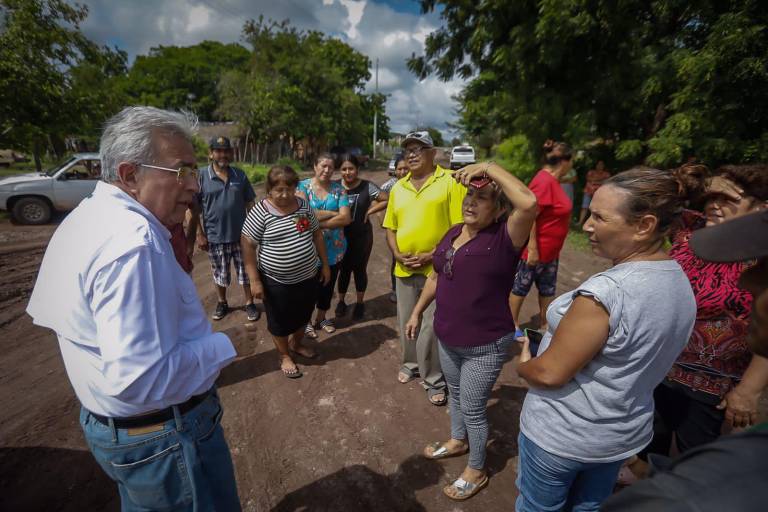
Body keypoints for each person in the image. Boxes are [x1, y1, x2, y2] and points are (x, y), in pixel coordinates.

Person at [26, 106, 241, 510]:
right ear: (129, 176)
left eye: (194, 171)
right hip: (165, 437)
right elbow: (142, 380)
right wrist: (224, 345)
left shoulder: (90, 215)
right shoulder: (134, 243)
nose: (194, 185)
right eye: (182, 171)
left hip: (126, 434)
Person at [514, 167, 697, 512]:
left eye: (599, 217)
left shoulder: (607, 293)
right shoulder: (678, 280)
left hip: (563, 436)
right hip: (618, 439)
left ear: (644, 225)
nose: (586, 225)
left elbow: (550, 373)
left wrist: (525, 365)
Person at [602, 209, 768, 512]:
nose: (748, 281)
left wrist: (749, 389)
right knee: (653, 439)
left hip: (712, 383)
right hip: (663, 369)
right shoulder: (688, 235)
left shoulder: (740, 470)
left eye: (765, 269)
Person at [405, 161, 537, 500]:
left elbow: (528, 202)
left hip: (485, 344)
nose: (470, 203)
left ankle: (477, 470)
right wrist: (417, 312)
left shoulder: (505, 238)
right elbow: (436, 275)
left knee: (474, 408)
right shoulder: (453, 232)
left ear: (499, 209)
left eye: (482, 198)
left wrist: (489, 167)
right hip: (448, 336)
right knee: (456, 395)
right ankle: (457, 440)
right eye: (469, 196)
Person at [641, 164, 768, 458]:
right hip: (657, 368)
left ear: (762, 209)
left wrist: (749, 390)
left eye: (729, 199)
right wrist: (695, 183)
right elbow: (652, 200)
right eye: (711, 198)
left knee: (693, 463)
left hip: (714, 389)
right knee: (645, 453)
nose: (714, 205)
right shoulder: (690, 229)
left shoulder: (762, 259)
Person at [383, 130, 467, 406]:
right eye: (408, 150)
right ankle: (410, 363)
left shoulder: (449, 182)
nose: (412, 154)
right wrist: (397, 254)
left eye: (418, 149)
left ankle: (433, 378)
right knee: (407, 320)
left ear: (433, 153)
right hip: (404, 268)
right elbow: (390, 227)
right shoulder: (398, 187)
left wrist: (433, 255)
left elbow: (459, 227)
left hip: (438, 269)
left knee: (431, 325)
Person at [241, 166, 331, 378]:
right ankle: (283, 355)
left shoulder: (302, 206)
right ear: (269, 189)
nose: (285, 195)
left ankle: (296, 344)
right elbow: (247, 245)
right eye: (279, 190)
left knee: (303, 314)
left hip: (308, 276)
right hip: (276, 281)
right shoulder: (260, 211)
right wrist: (254, 280)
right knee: (279, 321)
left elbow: (317, 234)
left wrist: (325, 265)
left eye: (289, 189)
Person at [509, 140, 574, 334]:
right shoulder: (544, 181)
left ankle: (545, 324)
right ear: (565, 161)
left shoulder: (553, 181)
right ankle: (511, 325)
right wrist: (532, 248)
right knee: (520, 287)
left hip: (551, 252)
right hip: (536, 251)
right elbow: (530, 214)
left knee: (547, 289)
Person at [196, 136, 259, 321]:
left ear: (231, 153)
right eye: (218, 151)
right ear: (211, 153)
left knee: (246, 271)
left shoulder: (240, 175)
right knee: (220, 273)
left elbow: (250, 203)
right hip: (215, 236)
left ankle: (249, 303)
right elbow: (193, 209)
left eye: (226, 151)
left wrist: (255, 229)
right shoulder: (201, 176)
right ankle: (222, 302)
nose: (222, 155)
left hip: (242, 236)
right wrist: (200, 234)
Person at [297, 154, 351, 338]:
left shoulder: (339, 190)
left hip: (335, 250)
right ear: (315, 166)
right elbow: (302, 217)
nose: (327, 170)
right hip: (308, 250)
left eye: (331, 167)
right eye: (323, 166)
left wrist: (316, 222)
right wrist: (333, 213)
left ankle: (321, 318)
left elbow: (346, 218)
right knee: (307, 289)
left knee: (327, 286)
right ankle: (306, 321)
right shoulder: (302, 187)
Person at [335, 153, 389, 320]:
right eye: (344, 169)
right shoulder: (334, 186)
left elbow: (386, 199)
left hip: (362, 237)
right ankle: (341, 302)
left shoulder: (367, 186)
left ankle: (359, 303)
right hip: (339, 237)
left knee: (359, 270)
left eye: (351, 168)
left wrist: (369, 211)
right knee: (343, 270)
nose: (347, 172)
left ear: (357, 169)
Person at [380, 155, 409, 302]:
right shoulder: (389, 186)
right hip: (396, 230)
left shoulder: (417, 183)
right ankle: (396, 290)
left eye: (406, 168)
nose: (403, 172)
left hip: (412, 227)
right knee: (396, 259)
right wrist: (381, 219)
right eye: (400, 169)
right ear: (395, 170)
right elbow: (377, 201)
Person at [577, 160, 611, 225]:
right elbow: (589, 179)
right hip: (588, 191)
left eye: (601, 164)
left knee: (597, 208)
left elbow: (607, 182)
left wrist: (595, 181)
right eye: (599, 164)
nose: (600, 166)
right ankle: (580, 222)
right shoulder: (591, 172)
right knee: (584, 206)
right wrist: (600, 180)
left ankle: (595, 223)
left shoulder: (606, 174)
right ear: (596, 165)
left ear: (604, 166)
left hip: (599, 193)